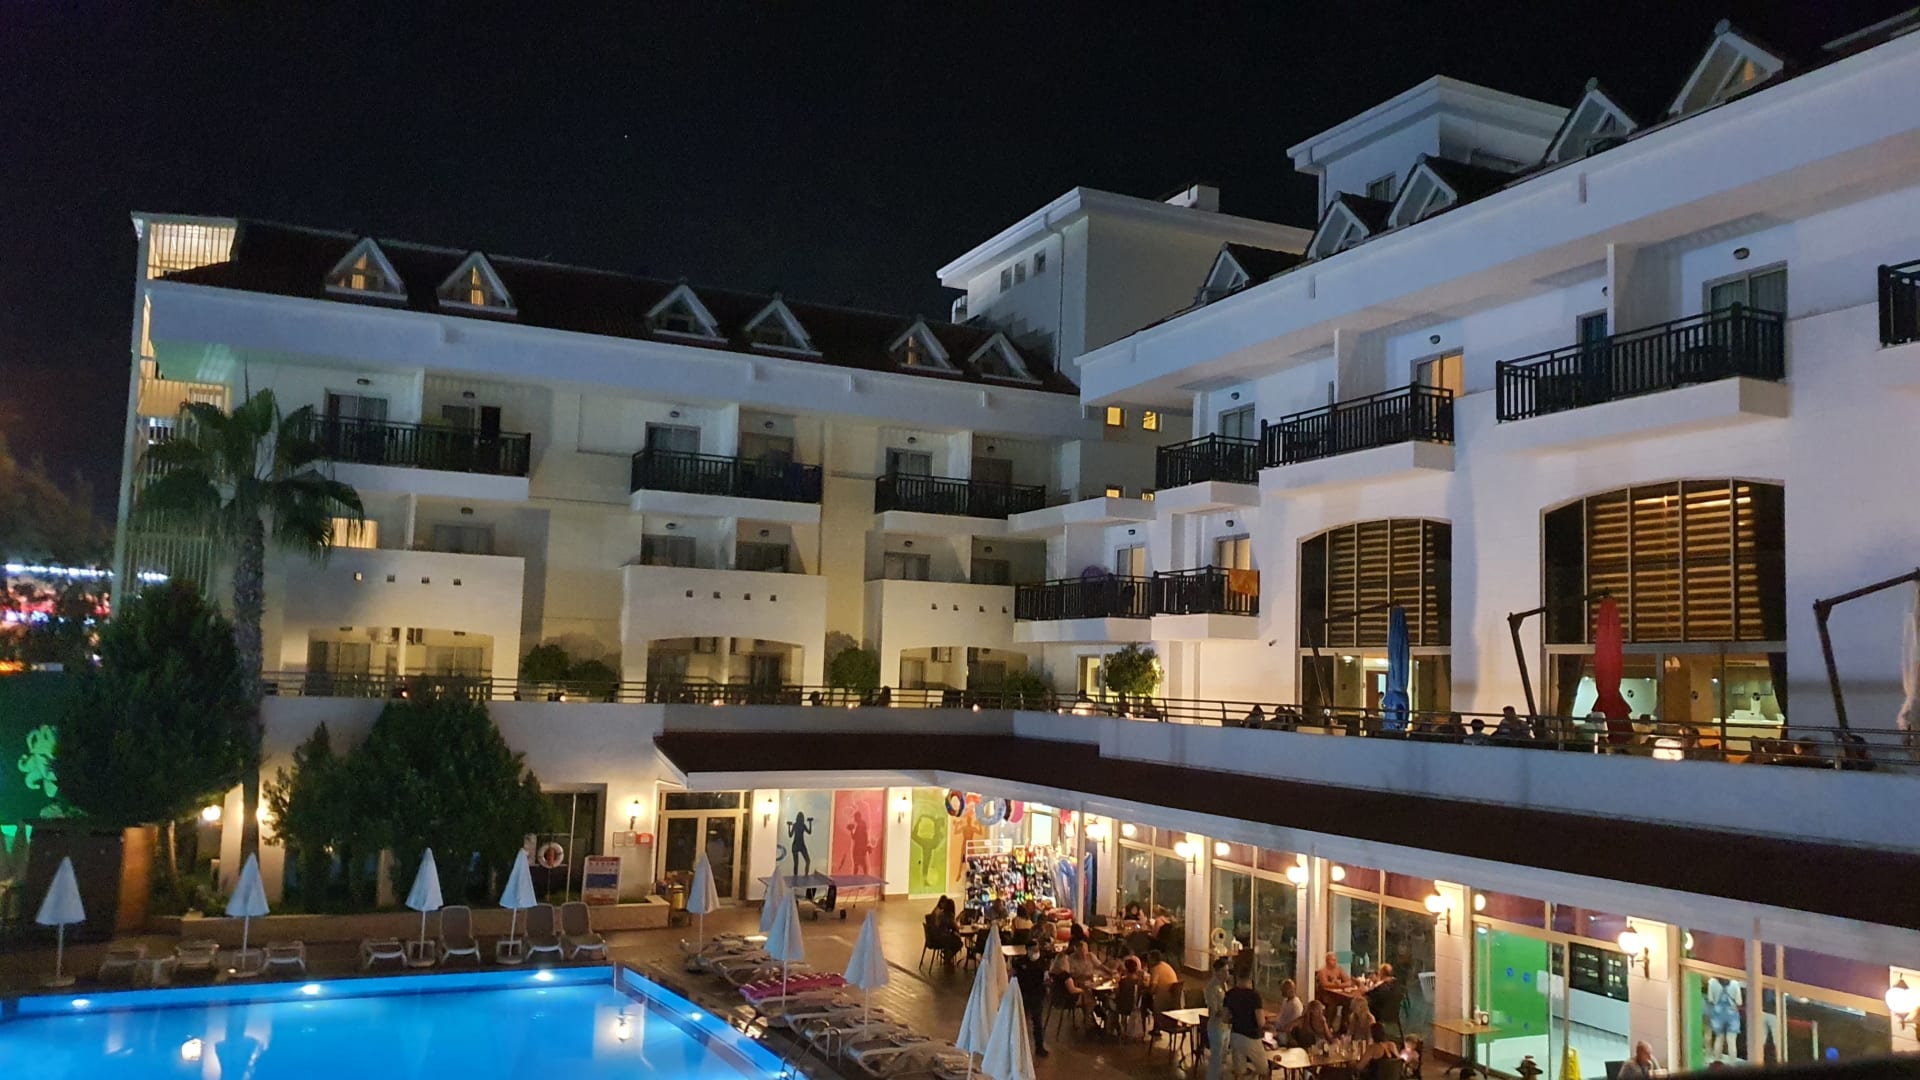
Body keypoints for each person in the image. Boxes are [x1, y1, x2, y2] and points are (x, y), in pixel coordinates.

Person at [1013, 935, 1052, 1058]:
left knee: (1037, 1022)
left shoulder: (1043, 962)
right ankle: (1016, 1047)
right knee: (1019, 1021)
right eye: (1033, 950)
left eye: (1037, 950)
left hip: (1037, 995)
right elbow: (1013, 977)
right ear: (1027, 950)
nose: (1035, 952)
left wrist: (1047, 983)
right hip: (1023, 994)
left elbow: (1046, 977)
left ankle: (1039, 1047)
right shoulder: (1020, 963)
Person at [1222, 972, 1267, 1078]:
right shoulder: (1255, 996)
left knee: (1239, 1071)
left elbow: (1225, 1018)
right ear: (1250, 979)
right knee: (1264, 1070)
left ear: (1237, 978)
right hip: (1251, 1037)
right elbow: (1261, 1022)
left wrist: (1235, 1019)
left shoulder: (1229, 994)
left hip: (1235, 1035)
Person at [1204, 957, 1233, 1080]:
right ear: (1217, 972)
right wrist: (1228, 1012)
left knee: (1223, 1058)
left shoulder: (1224, 985)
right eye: (1224, 971)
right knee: (1216, 1059)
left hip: (1226, 1026)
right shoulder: (1212, 987)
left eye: (1228, 971)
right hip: (1216, 1027)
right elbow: (1214, 1010)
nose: (1227, 974)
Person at [925, 896, 962, 965]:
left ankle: (947, 953)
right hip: (941, 938)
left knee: (952, 939)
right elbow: (955, 927)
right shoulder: (948, 915)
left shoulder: (941, 913)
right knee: (958, 942)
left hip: (935, 936)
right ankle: (948, 956)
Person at [786, 810, 813, 878]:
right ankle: (806, 876)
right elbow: (809, 832)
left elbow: (790, 835)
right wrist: (810, 823)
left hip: (796, 845)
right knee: (807, 861)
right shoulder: (802, 825)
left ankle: (797, 877)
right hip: (800, 844)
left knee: (796, 863)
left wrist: (789, 827)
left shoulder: (795, 825)